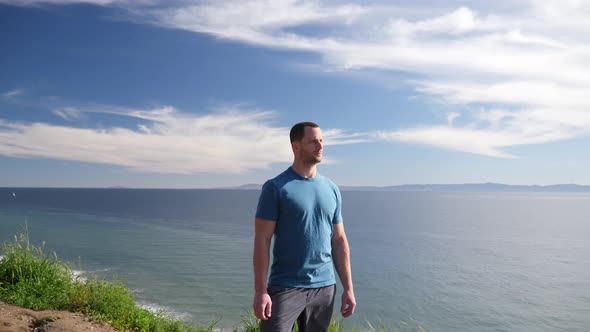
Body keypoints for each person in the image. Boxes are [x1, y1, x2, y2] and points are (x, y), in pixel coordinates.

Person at [253, 121, 356, 332]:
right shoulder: (276, 188)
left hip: (325, 287)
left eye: (321, 141)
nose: (320, 146)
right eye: (312, 141)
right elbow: (262, 240)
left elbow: (339, 240)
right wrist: (261, 291)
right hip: (285, 286)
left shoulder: (332, 189)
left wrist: (348, 288)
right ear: (296, 146)